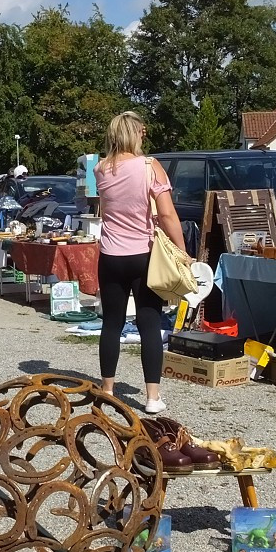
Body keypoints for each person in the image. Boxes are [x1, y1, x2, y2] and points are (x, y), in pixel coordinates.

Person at [95, 111, 188, 415]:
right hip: (142, 254)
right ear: (135, 134)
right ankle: (152, 397)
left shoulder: (100, 169)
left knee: (111, 323)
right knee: (149, 324)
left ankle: (107, 389)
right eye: (142, 132)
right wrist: (182, 251)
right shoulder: (150, 166)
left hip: (110, 255)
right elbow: (167, 214)